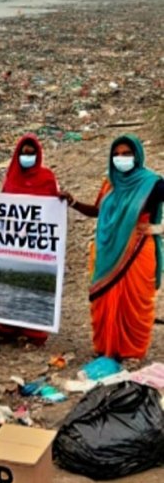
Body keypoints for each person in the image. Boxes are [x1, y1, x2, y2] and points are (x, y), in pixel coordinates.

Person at [62, 135, 162, 361]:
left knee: (133, 303)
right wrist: (73, 202)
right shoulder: (111, 183)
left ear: (137, 156)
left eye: (126, 154)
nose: (120, 158)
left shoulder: (152, 184)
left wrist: (158, 228)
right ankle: (106, 348)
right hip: (107, 251)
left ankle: (130, 351)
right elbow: (97, 211)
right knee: (105, 299)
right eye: (116, 154)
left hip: (137, 251)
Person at [0, 134, 60, 344]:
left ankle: (34, 332)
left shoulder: (47, 178)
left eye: (32, 153)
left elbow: (53, 210)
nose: (27, 157)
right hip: (13, 242)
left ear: (38, 155)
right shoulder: (11, 178)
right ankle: (8, 328)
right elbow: (2, 206)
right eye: (24, 153)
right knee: (11, 283)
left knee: (33, 283)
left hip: (35, 243)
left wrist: (63, 201)